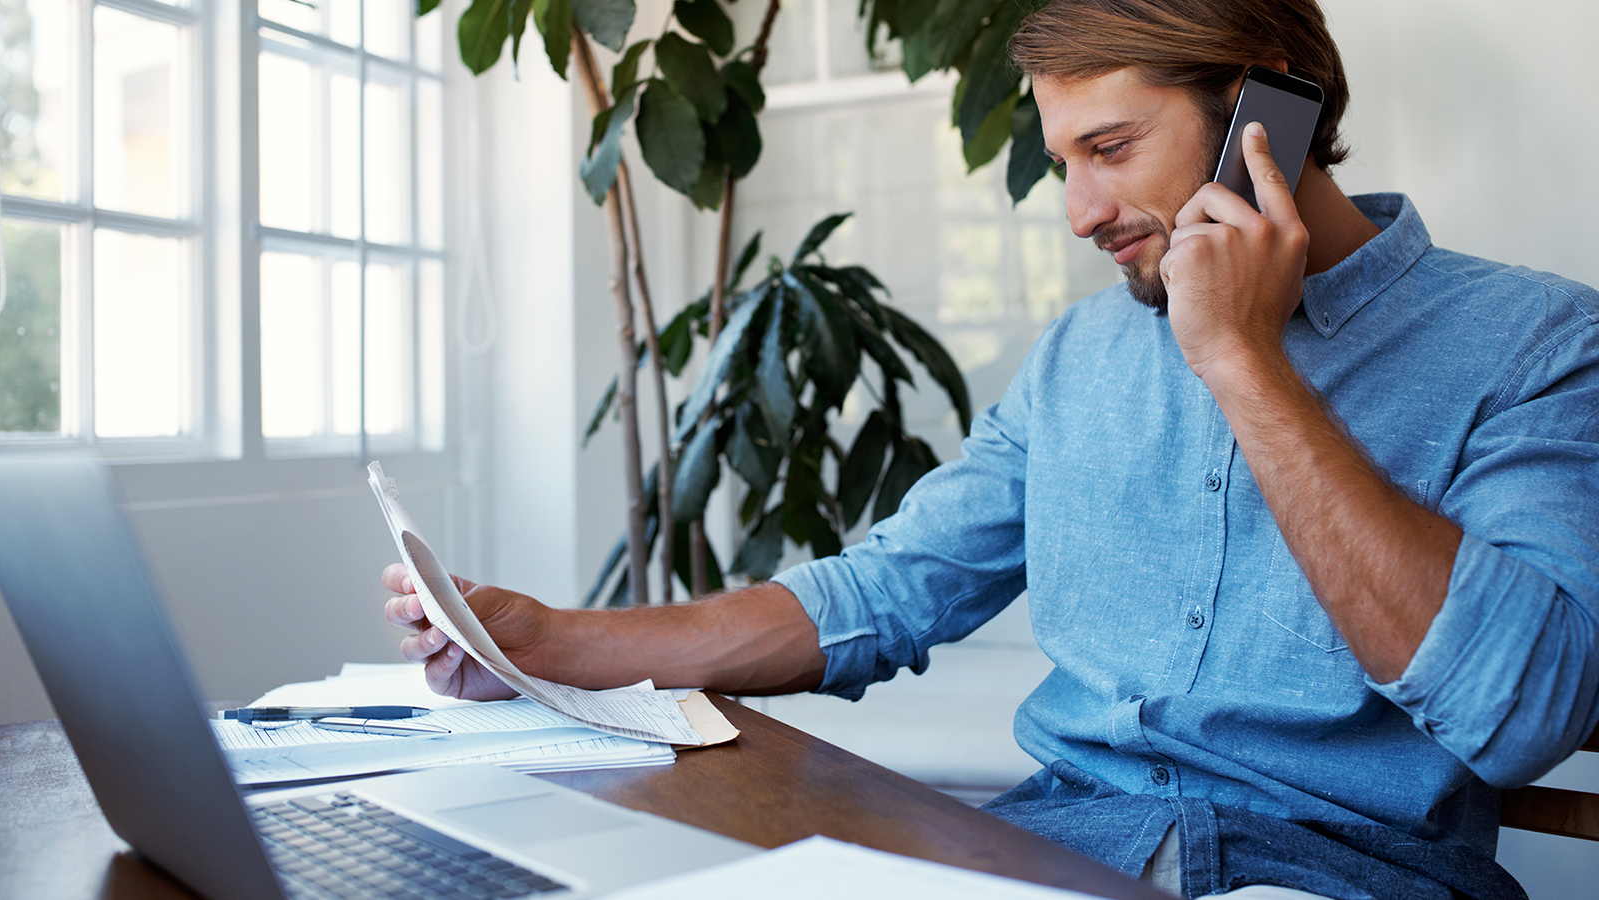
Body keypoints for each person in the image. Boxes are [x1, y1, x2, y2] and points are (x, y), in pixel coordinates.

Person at [384, 1, 1599, 897]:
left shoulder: (1537, 341)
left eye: (1112, 150)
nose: (1078, 212)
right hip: (1049, 854)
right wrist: (550, 644)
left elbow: (1519, 711)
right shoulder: (1080, 358)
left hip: (1333, 875)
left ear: (1269, 115)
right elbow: (881, 591)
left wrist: (1243, 360)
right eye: (1064, 162)